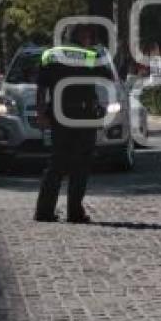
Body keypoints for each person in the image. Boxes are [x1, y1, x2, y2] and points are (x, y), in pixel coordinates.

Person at [34, 25, 112, 223]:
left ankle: (43, 211)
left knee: (56, 164)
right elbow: (108, 77)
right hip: (84, 115)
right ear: (82, 37)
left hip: (59, 115)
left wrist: (41, 113)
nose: (90, 40)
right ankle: (74, 212)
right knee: (80, 165)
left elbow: (41, 88)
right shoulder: (90, 56)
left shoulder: (50, 55)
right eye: (88, 36)